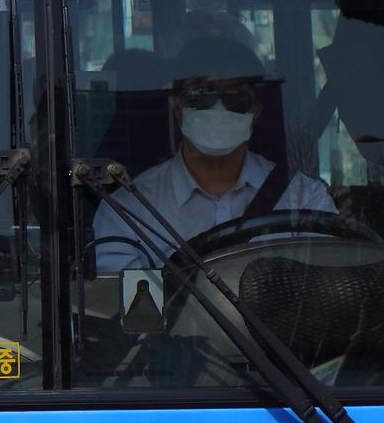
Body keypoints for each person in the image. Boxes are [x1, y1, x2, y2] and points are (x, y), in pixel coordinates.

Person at [89, 27, 337, 272]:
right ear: (177, 107)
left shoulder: (304, 199)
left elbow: (327, 292)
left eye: (235, 99)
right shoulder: (129, 211)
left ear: (255, 112)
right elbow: (124, 306)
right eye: (202, 96)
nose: (218, 110)